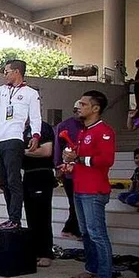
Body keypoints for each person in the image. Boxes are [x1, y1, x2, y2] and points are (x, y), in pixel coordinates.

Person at [0, 59, 43, 229]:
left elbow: (35, 117)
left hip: (13, 140)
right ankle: (11, 217)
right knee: (4, 182)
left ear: (17, 72)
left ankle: (15, 218)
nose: (4, 75)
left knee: (13, 180)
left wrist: (35, 135)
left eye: (6, 72)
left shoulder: (30, 93)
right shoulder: (2, 90)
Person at [62, 90, 115, 278]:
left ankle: (104, 277)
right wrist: (71, 164)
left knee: (96, 233)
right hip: (80, 188)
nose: (79, 107)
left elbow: (106, 160)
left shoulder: (104, 131)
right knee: (85, 232)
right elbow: (83, 160)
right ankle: (92, 268)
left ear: (95, 108)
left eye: (83, 104)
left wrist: (78, 159)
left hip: (94, 190)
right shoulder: (84, 131)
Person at [22, 117, 57, 268]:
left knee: (42, 215)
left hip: (41, 173)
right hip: (27, 174)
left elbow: (46, 151)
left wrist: (21, 151)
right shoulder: (19, 128)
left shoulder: (42, 127)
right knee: (31, 215)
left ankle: (45, 252)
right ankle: (35, 250)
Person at [55, 101, 84, 239]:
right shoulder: (64, 125)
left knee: (80, 201)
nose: (78, 112)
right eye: (76, 110)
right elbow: (57, 147)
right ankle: (74, 228)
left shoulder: (92, 126)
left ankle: (72, 227)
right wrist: (58, 166)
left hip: (86, 170)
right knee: (74, 200)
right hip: (69, 170)